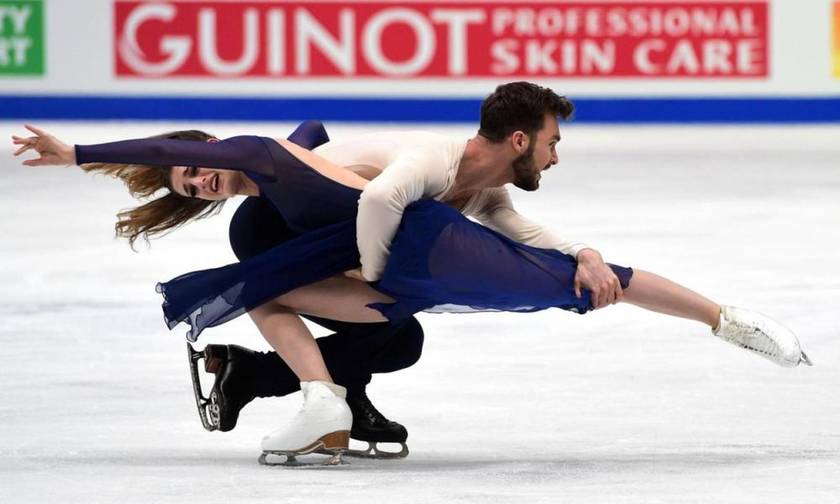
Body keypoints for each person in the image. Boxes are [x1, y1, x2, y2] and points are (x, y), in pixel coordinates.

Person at [12, 82, 811, 466]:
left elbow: (455, 208)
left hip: (415, 252)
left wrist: (584, 251)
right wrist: (78, 155)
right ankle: (322, 402)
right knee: (263, 288)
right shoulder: (267, 202)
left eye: (198, 169)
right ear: (526, 138)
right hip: (394, 262)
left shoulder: (261, 153)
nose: (199, 179)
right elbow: (385, 196)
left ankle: (728, 320)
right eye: (190, 186)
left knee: (578, 286)